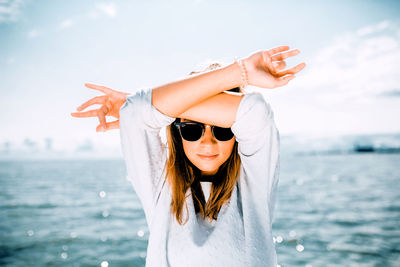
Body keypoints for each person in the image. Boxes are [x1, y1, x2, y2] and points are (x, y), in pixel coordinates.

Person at [71, 46, 306, 267]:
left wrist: (163, 106)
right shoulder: (161, 185)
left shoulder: (253, 182)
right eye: (191, 129)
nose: (207, 142)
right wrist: (238, 72)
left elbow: (255, 111)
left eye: (222, 129)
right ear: (177, 132)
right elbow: (134, 111)